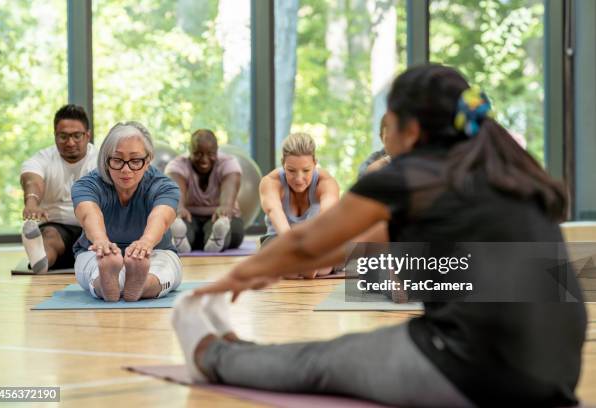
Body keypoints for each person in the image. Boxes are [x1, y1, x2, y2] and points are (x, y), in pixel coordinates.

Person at [171, 65, 587, 407]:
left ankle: (213, 356)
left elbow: (305, 242)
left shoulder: (413, 174)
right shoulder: (508, 168)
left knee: (322, 361)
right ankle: (232, 346)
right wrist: (275, 266)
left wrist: (232, 280)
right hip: (559, 368)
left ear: (408, 128)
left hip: (476, 369)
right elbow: (356, 240)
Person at [72, 121, 182, 302]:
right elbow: (88, 214)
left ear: (148, 161)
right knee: (96, 268)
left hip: (154, 252)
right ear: (106, 160)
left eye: (135, 161)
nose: (126, 169)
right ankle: (110, 282)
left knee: (164, 271)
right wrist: (101, 243)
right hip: (98, 254)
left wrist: (145, 243)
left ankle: (137, 285)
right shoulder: (86, 185)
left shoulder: (165, 186)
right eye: (117, 160)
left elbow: (161, 217)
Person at [20, 104, 98, 274]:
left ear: (88, 135)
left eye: (77, 136)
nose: (70, 142)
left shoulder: (100, 160)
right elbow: (32, 180)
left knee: (100, 235)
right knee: (49, 236)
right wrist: (32, 202)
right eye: (63, 136)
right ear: (55, 136)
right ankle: (40, 259)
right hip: (57, 229)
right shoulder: (42, 159)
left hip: (94, 228)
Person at [258, 132, 339, 278]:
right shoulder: (270, 182)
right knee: (286, 265)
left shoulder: (325, 182)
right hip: (280, 239)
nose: (299, 179)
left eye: (306, 170)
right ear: (283, 163)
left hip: (316, 239)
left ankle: (308, 266)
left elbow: (328, 216)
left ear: (315, 163)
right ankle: (306, 266)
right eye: (291, 171)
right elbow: (273, 211)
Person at [166, 129, 243, 253]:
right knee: (182, 226)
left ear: (217, 151)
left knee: (230, 230)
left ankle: (216, 238)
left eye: (210, 154)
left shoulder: (228, 163)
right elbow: (176, 193)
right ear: (189, 151)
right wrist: (179, 209)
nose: (204, 160)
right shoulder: (177, 165)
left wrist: (224, 207)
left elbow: (229, 193)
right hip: (190, 217)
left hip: (219, 217)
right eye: (198, 153)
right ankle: (181, 239)